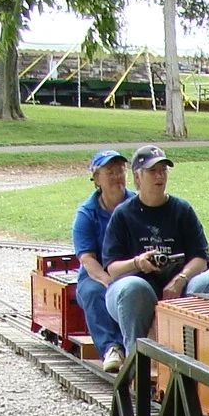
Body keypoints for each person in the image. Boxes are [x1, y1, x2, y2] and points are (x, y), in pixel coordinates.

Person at [101, 144, 209, 371]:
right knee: (134, 287)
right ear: (137, 177)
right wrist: (138, 262)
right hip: (133, 290)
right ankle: (136, 367)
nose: (159, 176)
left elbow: (200, 258)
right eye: (152, 171)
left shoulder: (182, 210)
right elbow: (112, 268)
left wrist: (181, 277)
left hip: (178, 286)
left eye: (163, 170)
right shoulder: (123, 214)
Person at [71, 149, 131, 371]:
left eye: (120, 171)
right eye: (110, 172)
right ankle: (111, 348)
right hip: (97, 275)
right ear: (97, 179)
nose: (117, 177)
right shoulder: (87, 214)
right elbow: (87, 258)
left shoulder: (137, 204)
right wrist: (108, 281)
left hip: (132, 270)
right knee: (93, 293)